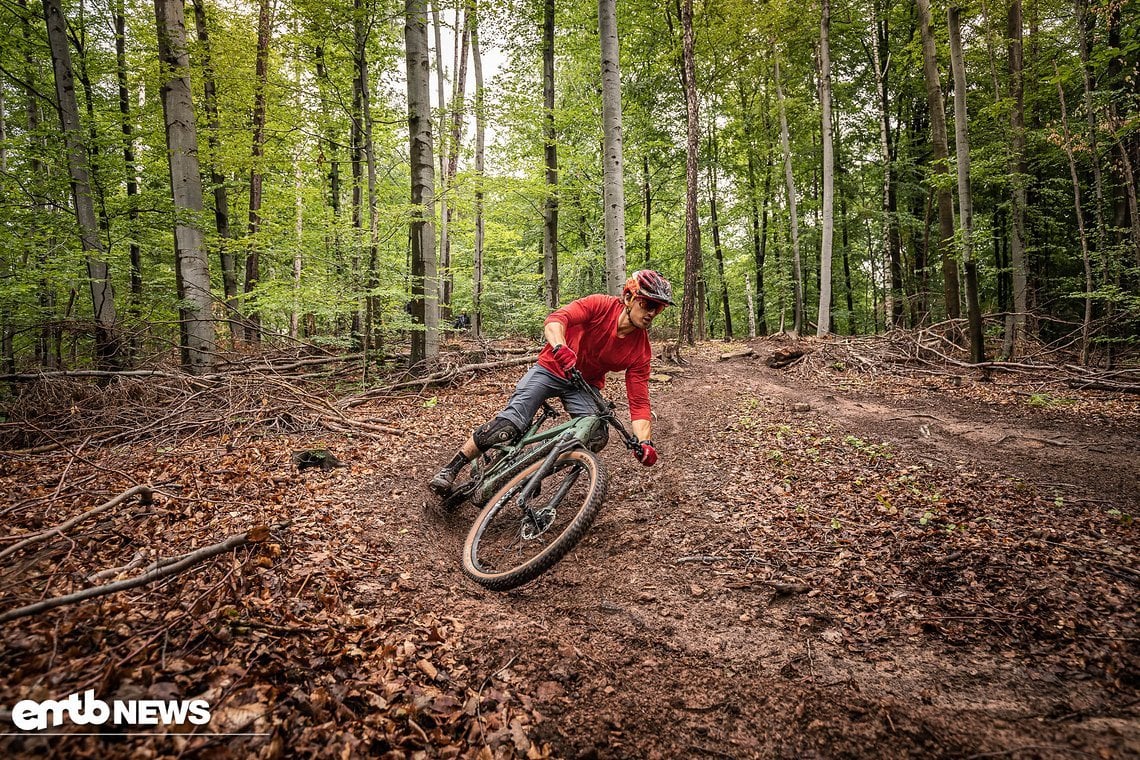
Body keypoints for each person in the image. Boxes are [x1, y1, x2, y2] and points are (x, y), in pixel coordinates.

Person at [429, 270, 674, 495]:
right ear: (630, 298)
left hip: (584, 384)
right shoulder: (600, 306)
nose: (652, 312)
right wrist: (560, 347)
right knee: (508, 426)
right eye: (648, 304)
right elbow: (557, 319)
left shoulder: (641, 350)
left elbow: (639, 401)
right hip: (552, 368)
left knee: (596, 435)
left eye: (659, 308)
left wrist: (645, 443)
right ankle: (451, 468)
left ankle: (529, 470)